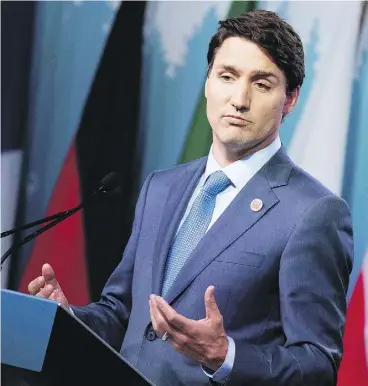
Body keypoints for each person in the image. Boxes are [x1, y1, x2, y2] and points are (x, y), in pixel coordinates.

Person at [28, 9, 353, 386]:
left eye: (261, 84)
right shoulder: (161, 187)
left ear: (290, 98)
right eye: (227, 77)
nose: (239, 99)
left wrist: (226, 356)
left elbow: (316, 366)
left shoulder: (314, 213)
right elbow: (121, 313)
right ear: (208, 82)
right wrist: (67, 317)